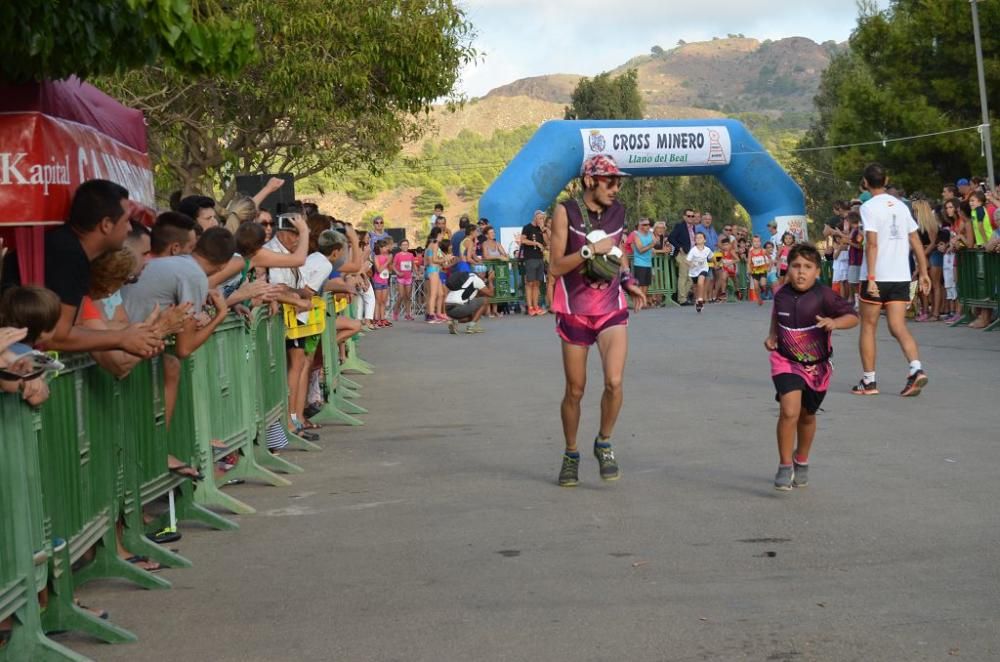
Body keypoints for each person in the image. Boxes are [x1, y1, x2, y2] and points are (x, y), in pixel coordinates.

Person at [548, 155, 647, 487]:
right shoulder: (565, 211)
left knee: (614, 382)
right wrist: (589, 252)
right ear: (590, 181)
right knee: (575, 390)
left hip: (610, 307)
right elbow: (556, 267)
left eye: (619, 182)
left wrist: (629, 280)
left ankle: (604, 441)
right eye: (611, 181)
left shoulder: (619, 212)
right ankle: (571, 453)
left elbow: (618, 252)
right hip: (574, 309)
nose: (617, 188)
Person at [764, 243, 858, 491]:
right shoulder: (781, 293)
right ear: (788, 268)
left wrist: (834, 322)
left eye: (807, 267)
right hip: (785, 361)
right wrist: (773, 335)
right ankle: (785, 466)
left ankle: (801, 459)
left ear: (817, 271)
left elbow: (853, 317)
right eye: (796, 266)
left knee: (807, 415)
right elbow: (777, 314)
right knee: (789, 411)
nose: (801, 272)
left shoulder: (824, 295)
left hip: (817, 367)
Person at [43, 179, 162, 356]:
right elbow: (56, 336)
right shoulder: (69, 254)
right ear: (106, 225)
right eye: (127, 220)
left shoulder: (72, 250)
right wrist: (122, 338)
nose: (130, 228)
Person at [853, 163, 931, 397]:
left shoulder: (868, 207)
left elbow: (872, 243)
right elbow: (915, 240)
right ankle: (916, 368)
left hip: (879, 276)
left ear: (865, 183)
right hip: (900, 276)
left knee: (868, 326)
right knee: (898, 326)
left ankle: (869, 381)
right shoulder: (901, 206)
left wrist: (871, 277)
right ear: (886, 179)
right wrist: (924, 271)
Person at [444, 270, 495, 334]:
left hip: (447, 308)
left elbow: (476, 295)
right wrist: (490, 280)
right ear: (483, 274)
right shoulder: (476, 279)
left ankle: (454, 322)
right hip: (458, 307)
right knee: (485, 300)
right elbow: (491, 294)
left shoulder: (466, 277)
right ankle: (472, 326)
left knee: (472, 317)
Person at [668, 208, 698, 304]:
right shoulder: (680, 226)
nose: (690, 218)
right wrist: (679, 247)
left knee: (690, 278)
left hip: (692, 255)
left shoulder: (693, 227)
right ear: (684, 216)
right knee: (683, 276)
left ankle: (682, 297)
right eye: (688, 216)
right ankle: (682, 299)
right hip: (683, 254)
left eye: (692, 216)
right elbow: (671, 237)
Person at [520, 210, 547, 315]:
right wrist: (535, 243)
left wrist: (543, 229)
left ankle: (536, 306)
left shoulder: (541, 229)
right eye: (540, 218)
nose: (541, 220)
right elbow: (523, 240)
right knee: (529, 283)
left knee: (537, 283)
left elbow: (546, 242)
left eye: (543, 218)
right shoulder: (527, 227)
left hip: (540, 258)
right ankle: (530, 307)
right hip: (530, 257)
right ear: (535, 218)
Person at [686, 231, 713, 313]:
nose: (698, 239)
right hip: (693, 271)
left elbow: (712, 257)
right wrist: (691, 264)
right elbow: (687, 261)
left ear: (704, 240)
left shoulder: (707, 249)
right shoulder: (693, 250)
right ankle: (697, 301)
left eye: (700, 237)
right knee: (695, 287)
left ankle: (701, 299)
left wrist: (716, 263)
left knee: (700, 282)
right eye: (697, 238)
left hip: (703, 269)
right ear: (695, 240)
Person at [630, 218, 654, 302]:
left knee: (646, 283)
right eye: (645, 225)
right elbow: (640, 250)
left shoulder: (651, 234)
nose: (647, 226)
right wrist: (651, 245)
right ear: (640, 226)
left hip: (648, 263)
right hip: (639, 263)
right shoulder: (636, 236)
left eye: (648, 224)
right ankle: (639, 301)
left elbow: (655, 244)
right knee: (640, 283)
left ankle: (643, 301)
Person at [371, 239, 393, 327]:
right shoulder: (376, 257)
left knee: (384, 301)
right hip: (378, 281)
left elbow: (390, 270)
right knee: (378, 301)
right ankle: (377, 319)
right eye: (384, 247)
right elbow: (379, 269)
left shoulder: (388, 256)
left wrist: (390, 263)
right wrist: (387, 261)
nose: (386, 248)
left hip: (385, 280)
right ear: (380, 248)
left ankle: (383, 318)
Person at [392, 239, 416, 321]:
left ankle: (408, 314)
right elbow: (393, 266)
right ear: (400, 246)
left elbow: (413, 265)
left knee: (408, 296)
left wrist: (417, 273)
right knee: (401, 296)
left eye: (406, 244)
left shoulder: (411, 255)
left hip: (408, 277)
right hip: (400, 278)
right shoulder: (398, 255)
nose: (405, 246)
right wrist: (398, 272)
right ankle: (395, 312)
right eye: (403, 245)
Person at [747, 235, 771, 304]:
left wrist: (769, 267)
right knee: (756, 286)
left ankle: (765, 288)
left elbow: (770, 258)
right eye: (754, 241)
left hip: (763, 270)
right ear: (752, 243)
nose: (756, 243)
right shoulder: (750, 252)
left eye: (758, 241)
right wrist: (749, 269)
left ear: (760, 242)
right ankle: (759, 299)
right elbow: (748, 262)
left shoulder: (763, 251)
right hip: (754, 271)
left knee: (763, 284)